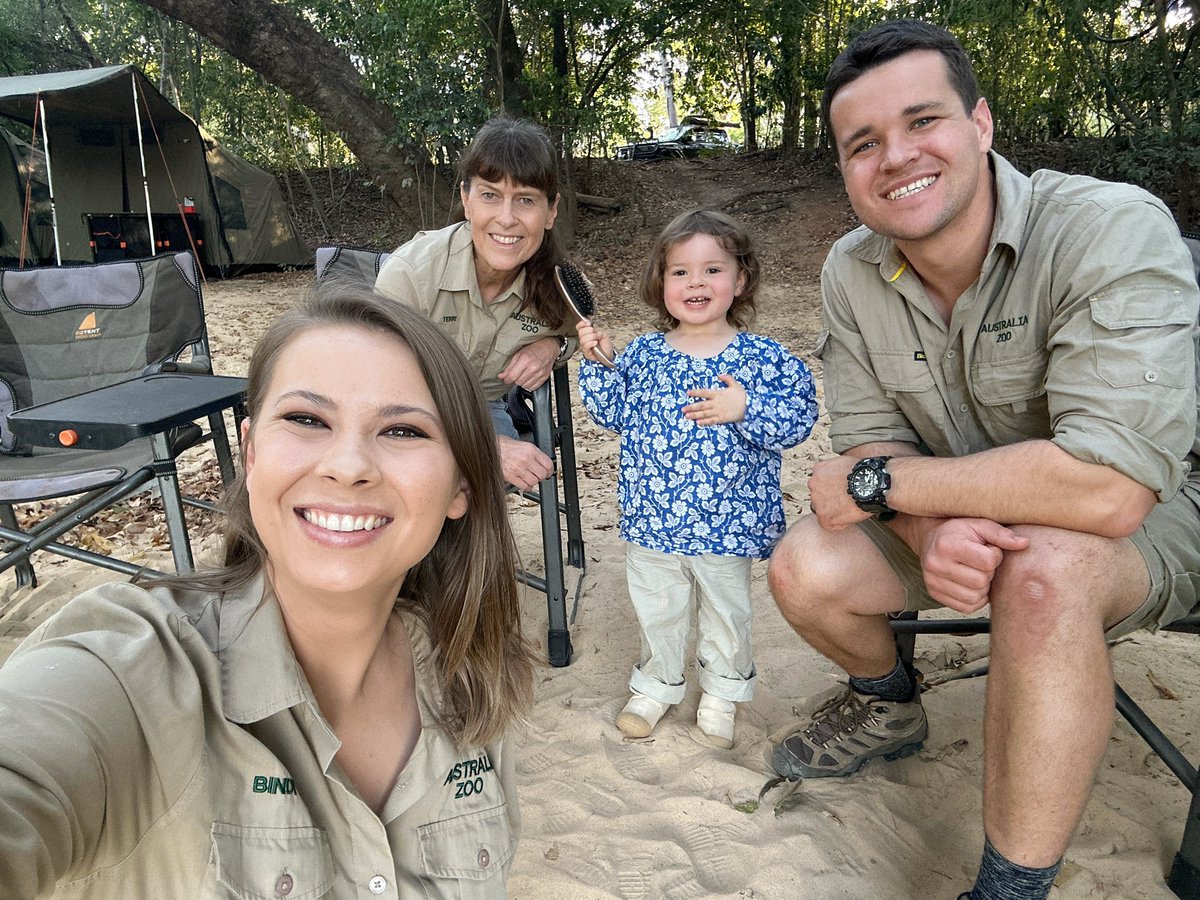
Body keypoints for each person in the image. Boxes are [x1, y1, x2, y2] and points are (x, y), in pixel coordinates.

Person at [765, 19, 1200, 900]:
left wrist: (887, 489)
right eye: (863, 144)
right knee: (804, 564)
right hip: (958, 511)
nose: (895, 157)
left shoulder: (1106, 227)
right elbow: (874, 444)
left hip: (1149, 518)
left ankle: (1009, 888)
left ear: (981, 125)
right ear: (846, 170)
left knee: (1040, 573)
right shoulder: (850, 271)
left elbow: (1112, 489)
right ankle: (889, 706)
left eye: (922, 121)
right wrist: (927, 529)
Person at [0, 285, 536, 898]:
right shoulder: (133, 675)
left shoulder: (471, 677)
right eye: (307, 420)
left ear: (462, 486)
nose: (349, 464)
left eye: (404, 431)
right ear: (251, 453)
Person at [577, 209, 818, 748]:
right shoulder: (641, 355)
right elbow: (612, 414)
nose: (695, 283)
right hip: (653, 516)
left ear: (741, 279)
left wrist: (746, 407)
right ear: (660, 282)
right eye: (680, 272)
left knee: (725, 613)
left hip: (727, 519)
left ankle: (722, 693)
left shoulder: (764, 359)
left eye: (712, 269)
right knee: (658, 609)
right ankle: (657, 685)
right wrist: (598, 363)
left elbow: (797, 423)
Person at [375, 116, 574, 491]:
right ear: (466, 199)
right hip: (405, 410)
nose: (506, 218)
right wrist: (488, 449)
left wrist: (552, 346)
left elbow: (579, 331)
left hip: (487, 407)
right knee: (435, 475)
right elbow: (378, 388)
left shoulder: (558, 283)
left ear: (551, 211)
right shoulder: (411, 275)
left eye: (526, 200)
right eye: (490, 195)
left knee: (472, 484)